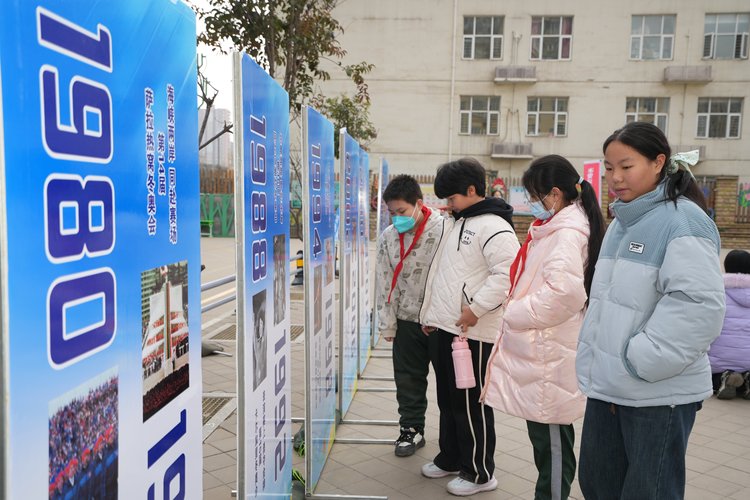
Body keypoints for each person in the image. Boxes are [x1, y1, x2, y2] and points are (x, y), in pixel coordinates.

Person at [576, 121, 726, 499]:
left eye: (627, 166)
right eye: (609, 168)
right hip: (609, 387)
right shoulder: (622, 222)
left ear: (659, 162)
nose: (615, 177)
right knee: (598, 485)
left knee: (649, 491)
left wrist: (640, 360)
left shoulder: (682, 220)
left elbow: (700, 305)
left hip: (656, 391)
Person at [480, 155, 605, 500]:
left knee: (551, 445)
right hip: (545, 350)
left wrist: (514, 312)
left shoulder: (566, 233)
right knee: (547, 442)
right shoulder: (558, 228)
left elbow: (564, 294)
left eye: (534, 195)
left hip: (550, 354)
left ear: (554, 193)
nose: (531, 203)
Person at [419, 157, 519, 496]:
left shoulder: (495, 227)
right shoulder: (458, 222)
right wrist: (431, 316)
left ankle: (480, 472)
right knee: (448, 401)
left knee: (470, 403)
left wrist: (475, 309)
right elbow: (443, 275)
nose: (448, 205)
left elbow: (506, 275)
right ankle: (451, 457)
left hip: (473, 333)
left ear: (472, 190)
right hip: (448, 327)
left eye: (452, 198)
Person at [375, 174, 452, 456]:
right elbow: (384, 280)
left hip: (440, 321)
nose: (397, 218)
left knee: (448, 384)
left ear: (419, 204)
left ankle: (452, 439)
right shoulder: (388, 237)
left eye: (402, 212)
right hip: (406, 322)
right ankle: (411, 430)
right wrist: (388, 324)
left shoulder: (445, 229)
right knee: (408, 379)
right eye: (392, 213)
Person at [709, 249, 750, 399]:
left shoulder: (717, 291)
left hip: (718, 359)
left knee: (708, 377)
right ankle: (746, 379)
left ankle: (724, 378)